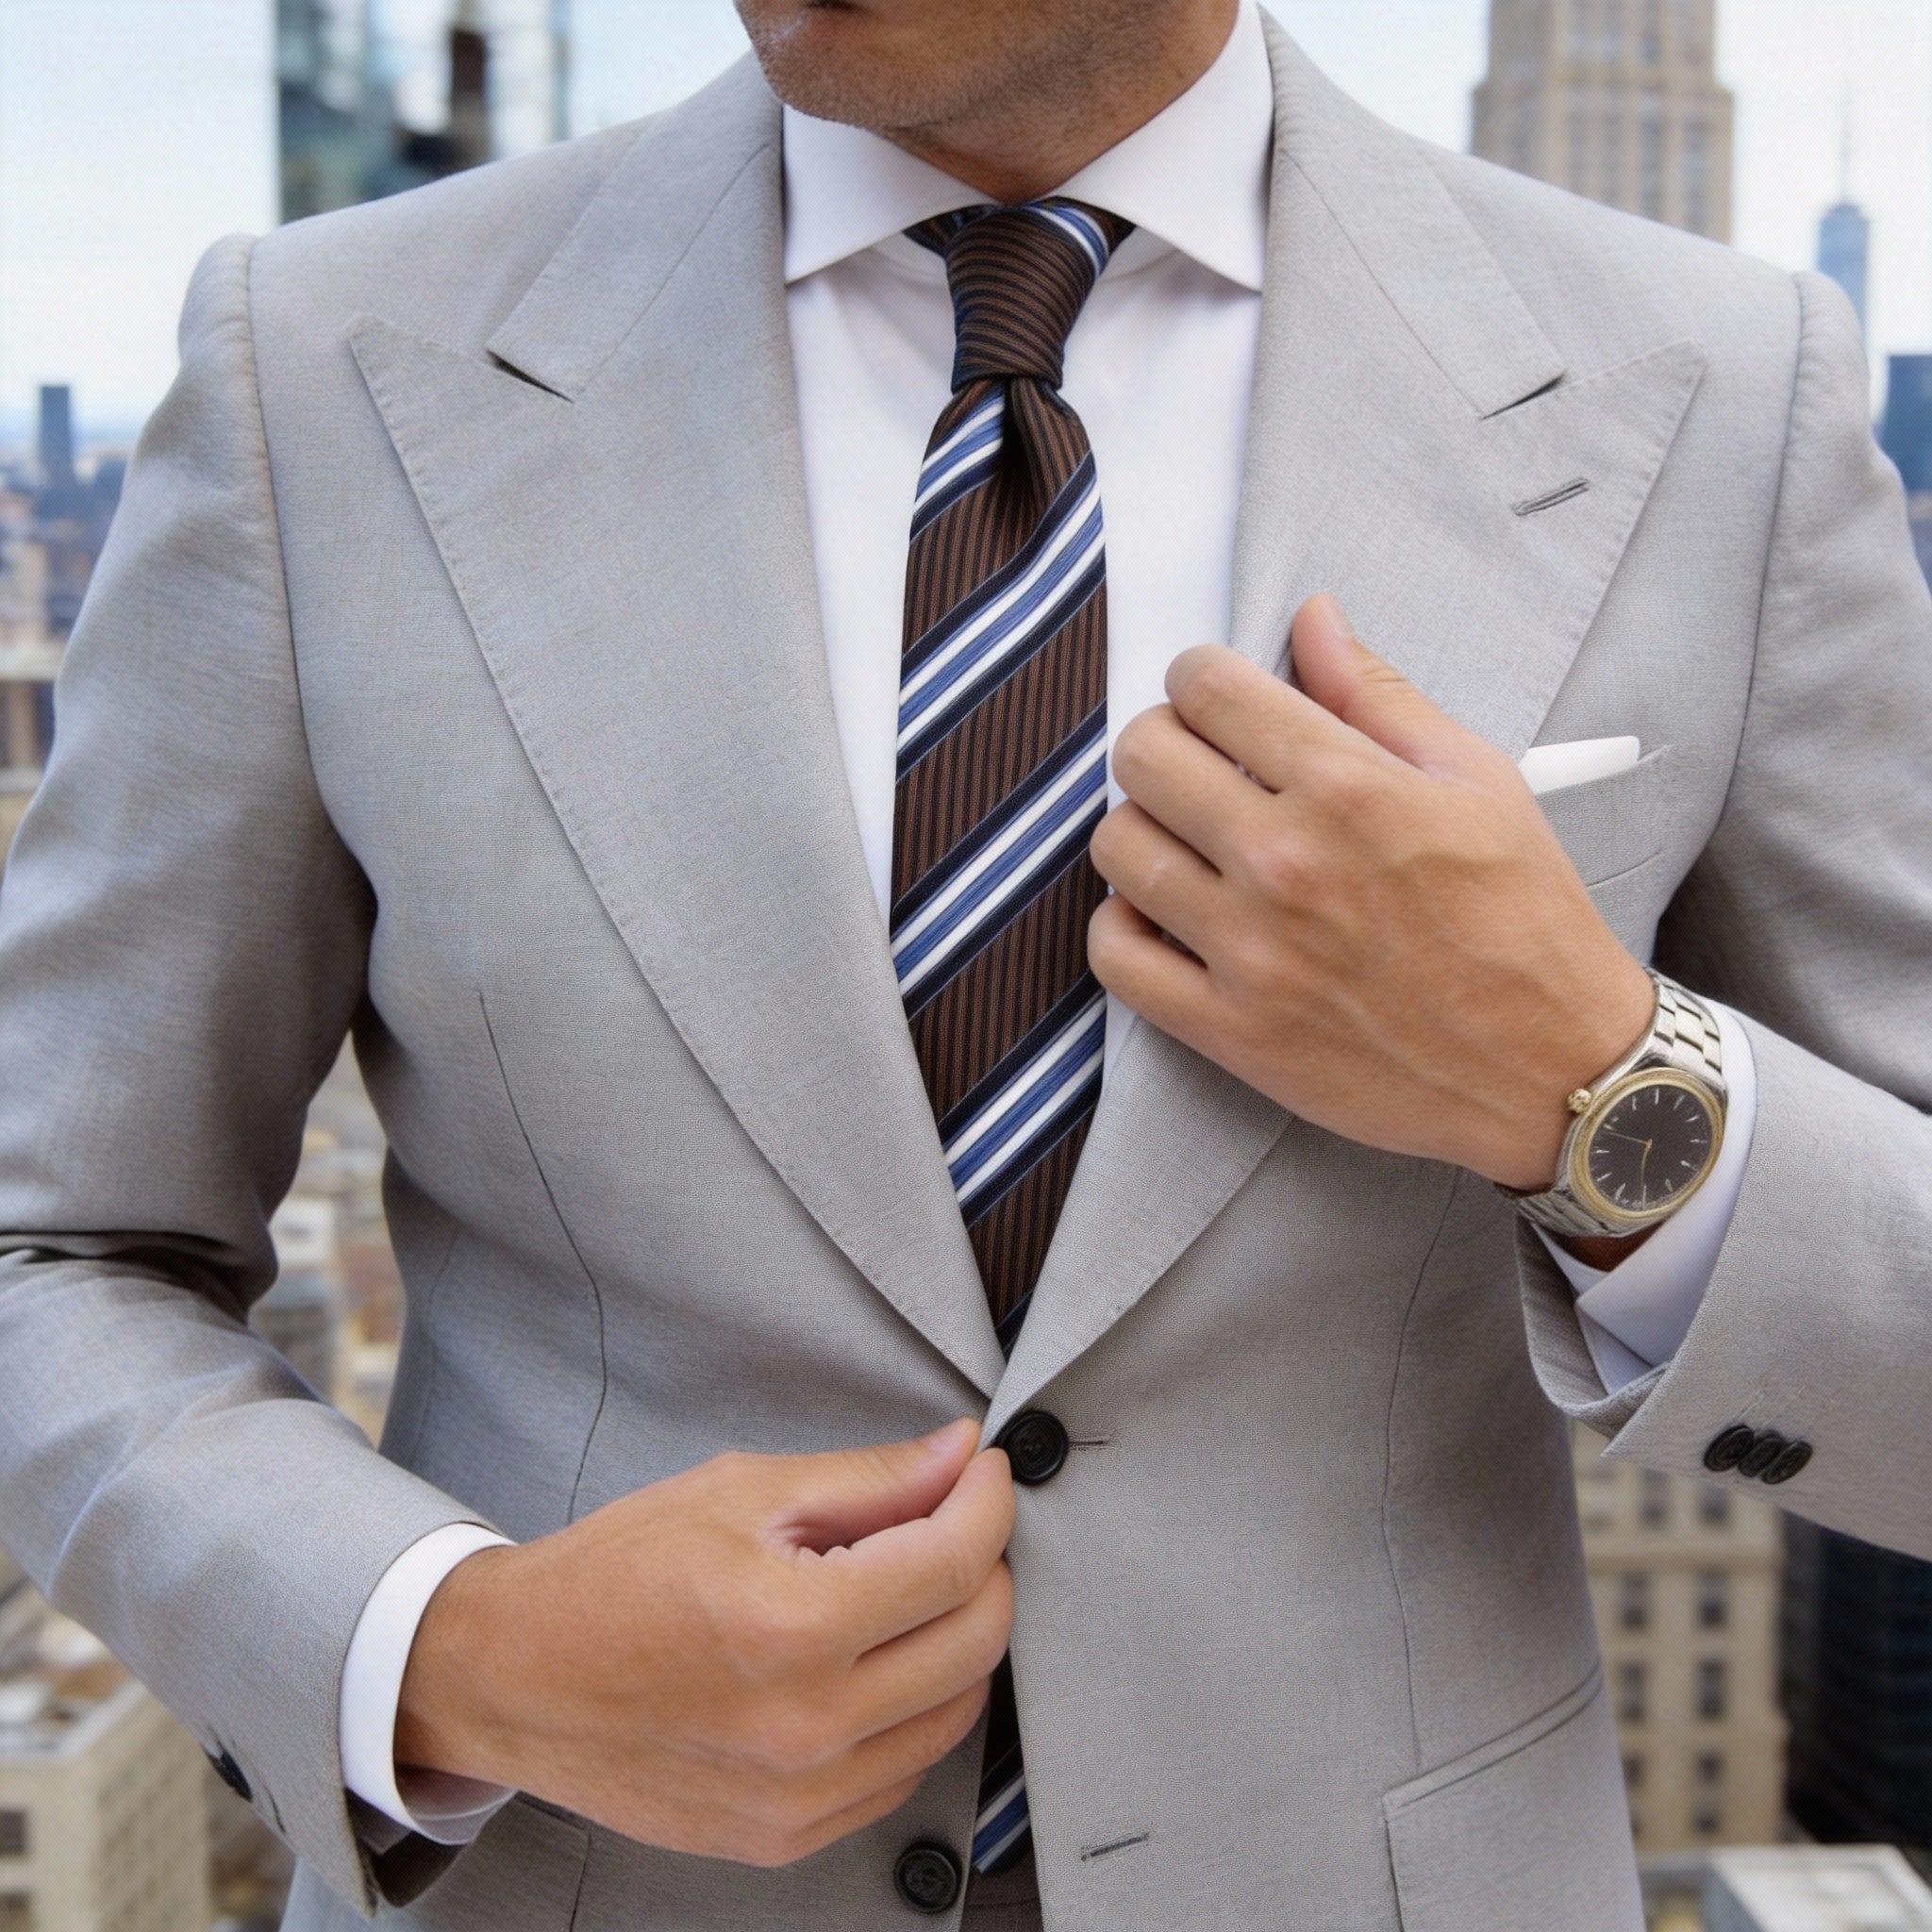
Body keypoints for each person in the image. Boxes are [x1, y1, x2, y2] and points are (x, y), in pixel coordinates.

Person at [0, 0, 1927, 1925]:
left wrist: (1593, 1087)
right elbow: (52, 1244)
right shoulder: (319, 367)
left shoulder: (1718, 396)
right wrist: (454, 1652)